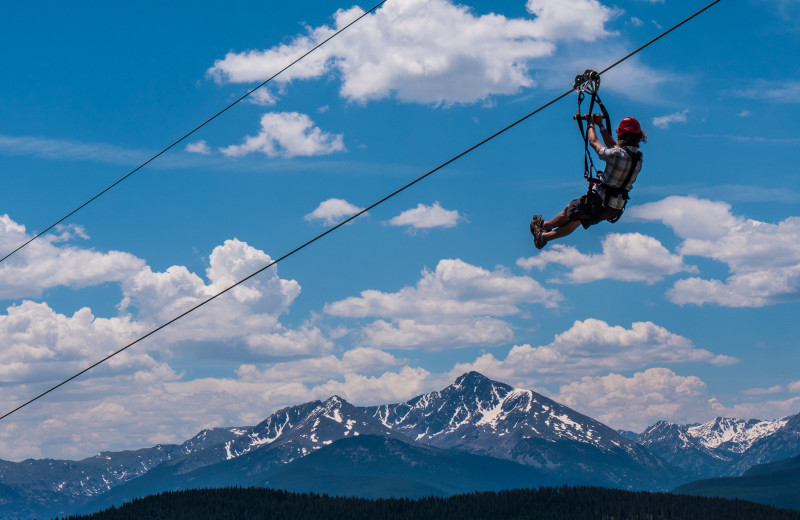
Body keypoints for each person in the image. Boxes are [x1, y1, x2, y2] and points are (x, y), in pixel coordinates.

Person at [529, 114, 646, 249]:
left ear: (621, 135)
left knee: (571, 210)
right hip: (614, 207)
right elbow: (615, 147)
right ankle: (544, 232)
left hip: (600, 201)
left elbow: (594, 142)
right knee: (577, 218)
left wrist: (591, 124)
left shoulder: (617, 154)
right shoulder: (637, 158)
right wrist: (601, 125)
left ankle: (544, 230)